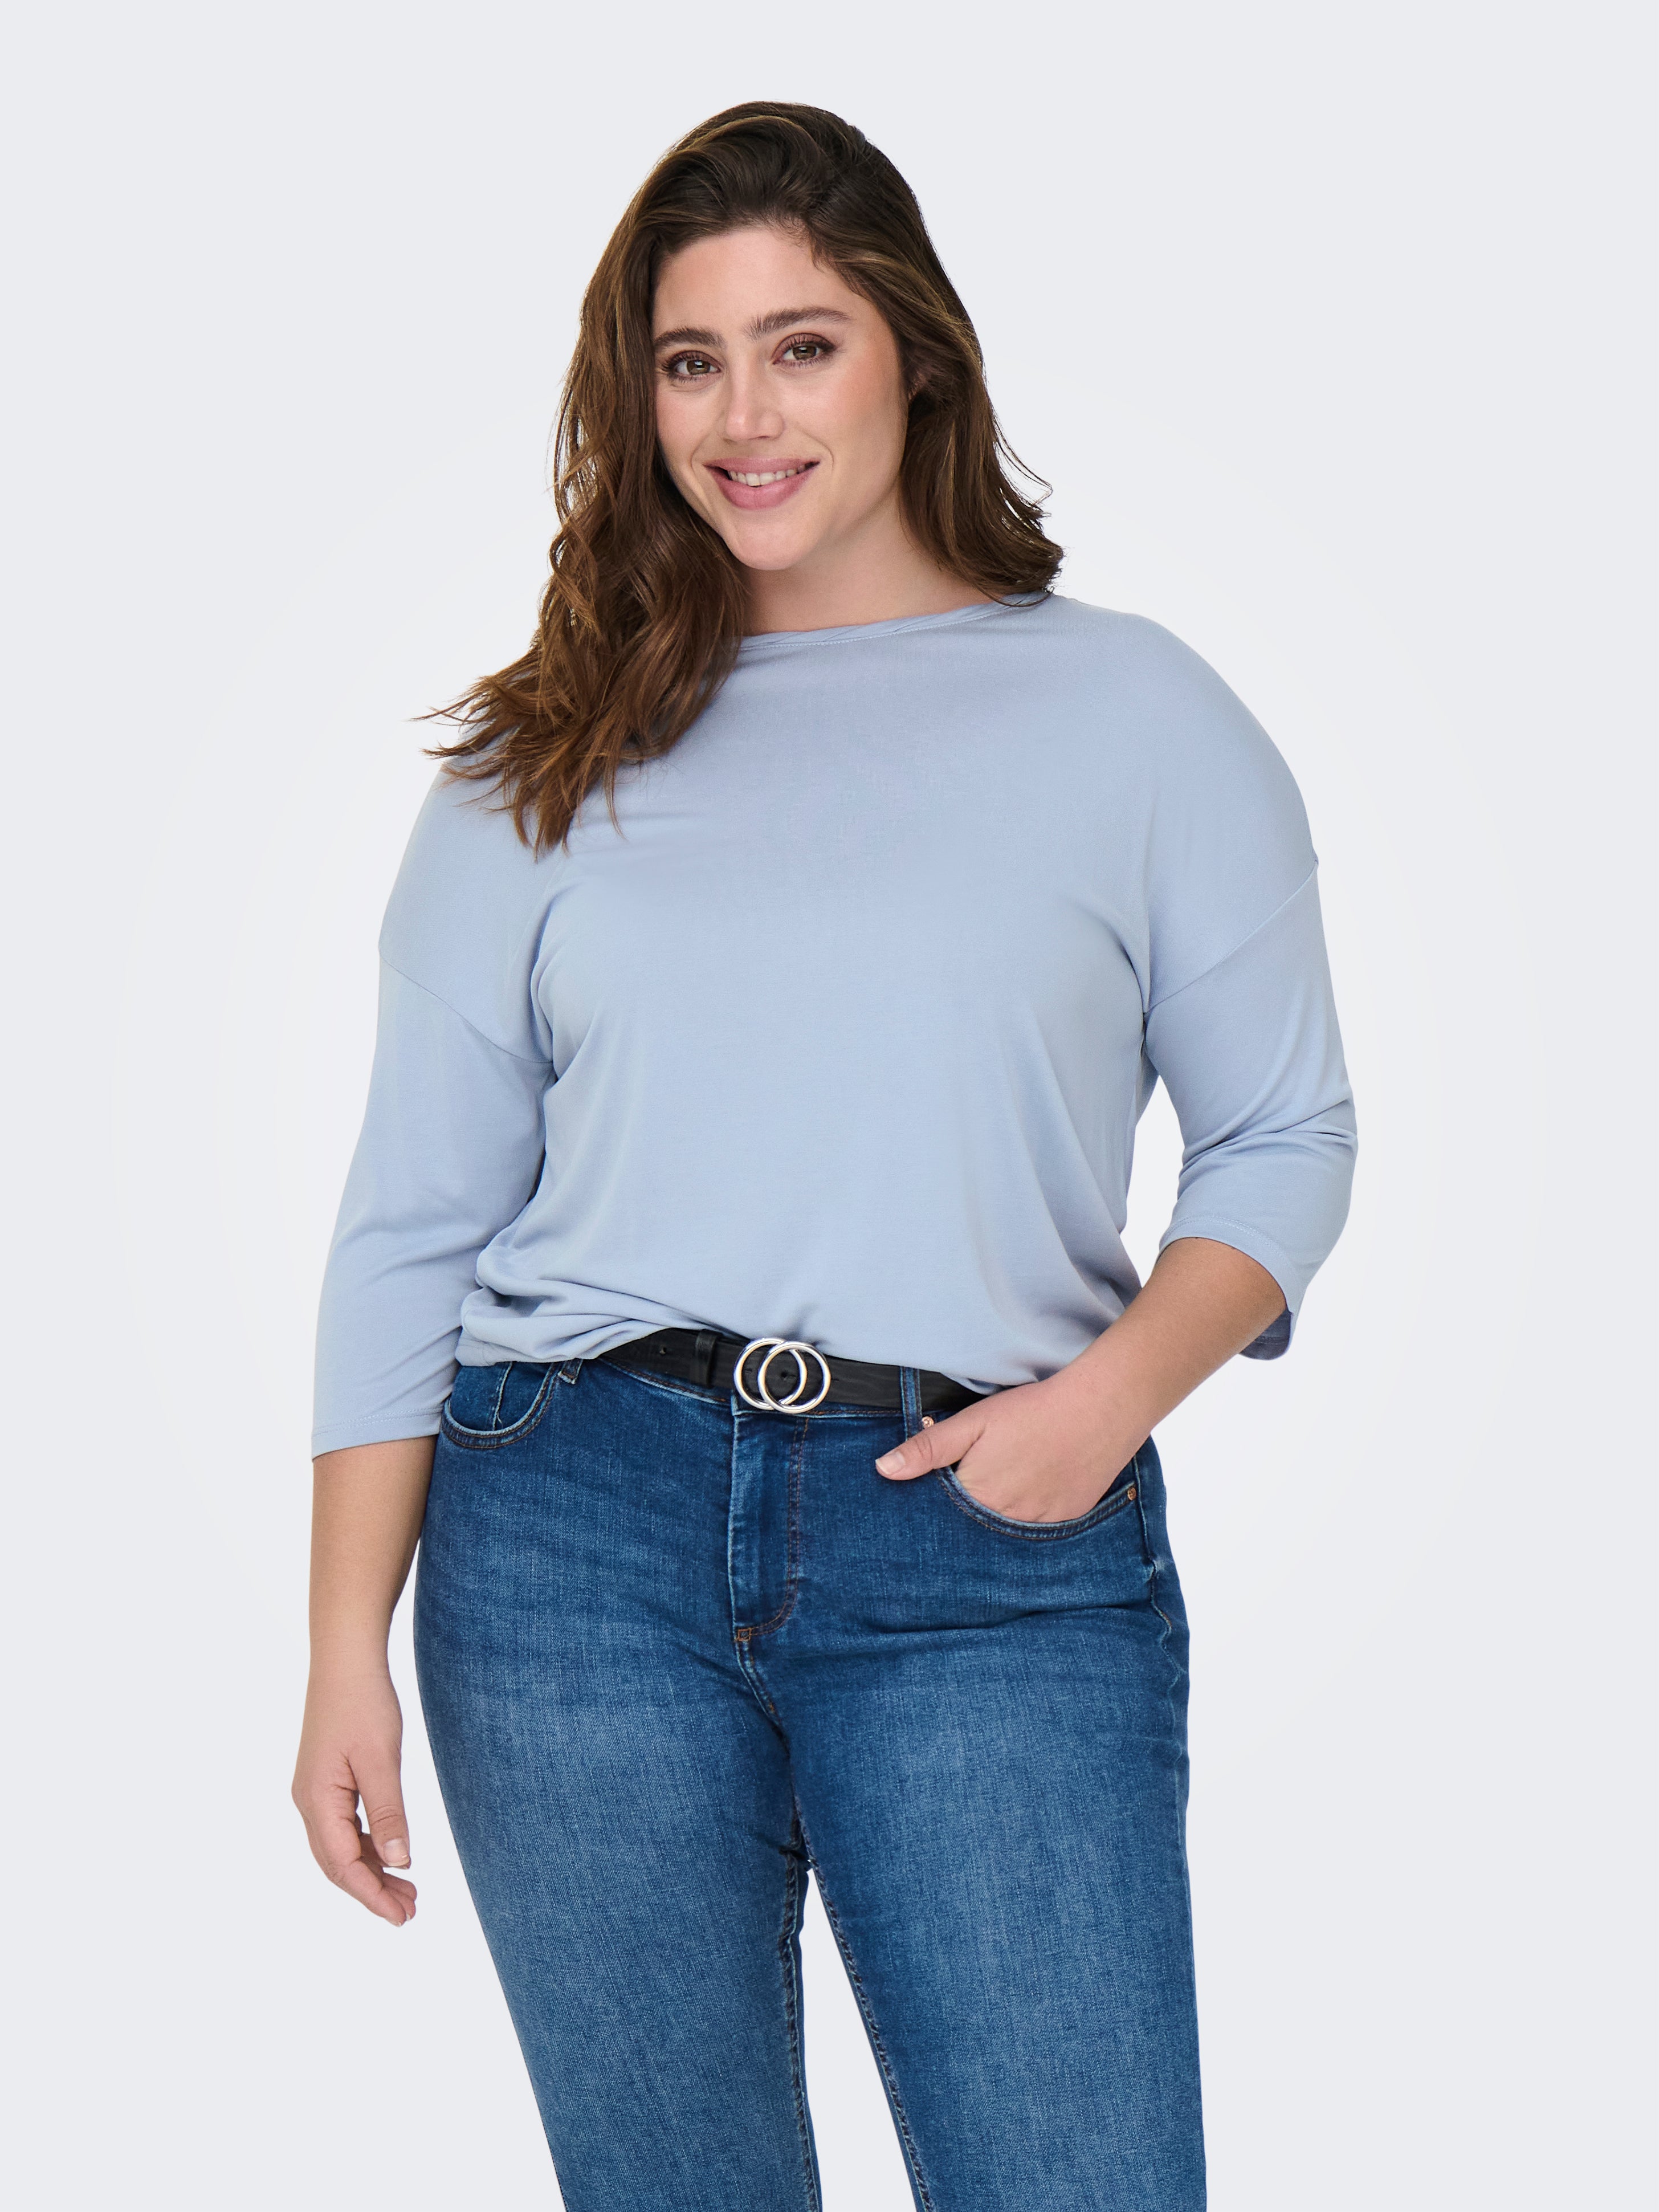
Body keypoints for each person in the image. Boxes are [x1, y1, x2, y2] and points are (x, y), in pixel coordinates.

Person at [293, 100, 1356, 2212]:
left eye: (802, 346)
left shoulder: (1139, 718)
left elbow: (1284, 1135)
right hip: (570, 1538)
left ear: (915, 359)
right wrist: (344, 1642)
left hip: (986, 1535)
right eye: (691, 362)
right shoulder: (540, 759)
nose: (744, 417)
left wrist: (1106, 1406)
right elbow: (411, 1222)